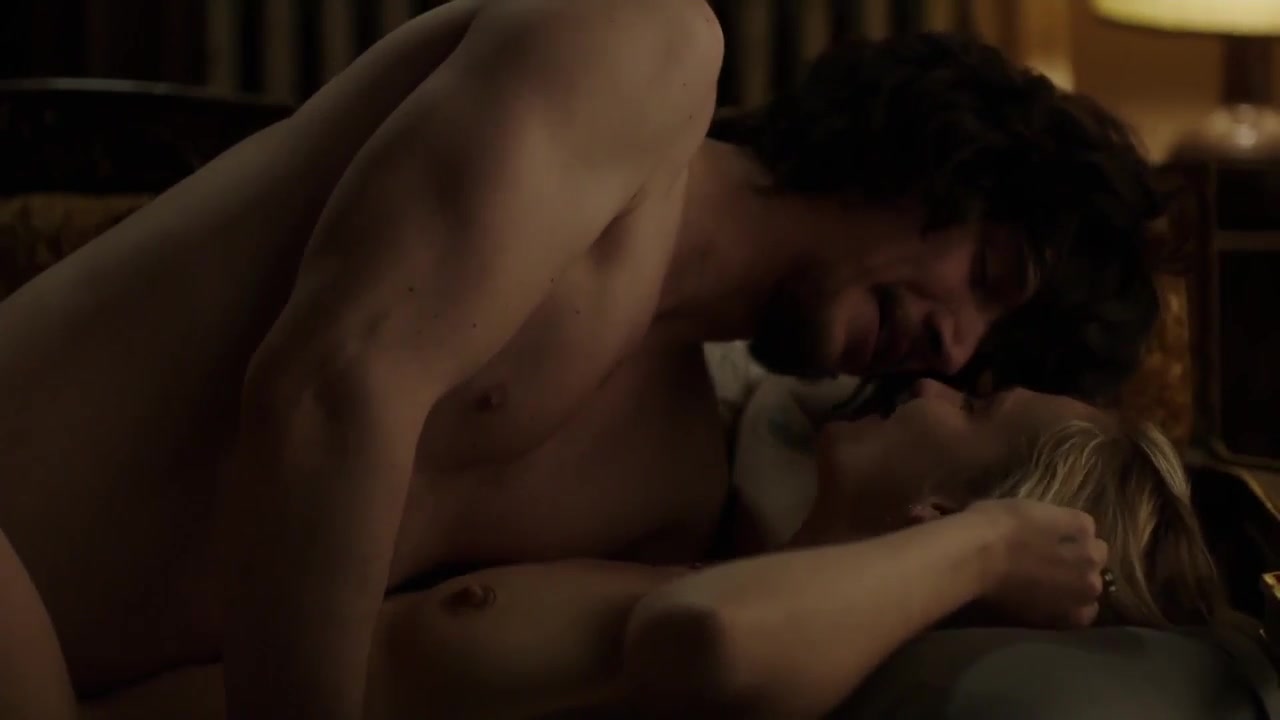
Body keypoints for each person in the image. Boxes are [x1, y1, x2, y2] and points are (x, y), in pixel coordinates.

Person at [0, 1, 1169, 717]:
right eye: (990, 272)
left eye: (981, 361)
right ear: (945, 149)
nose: (951, 343)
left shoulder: (668, 486)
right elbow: (328, 392)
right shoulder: (634, 48)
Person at [82, 380, 1228, 719]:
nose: (926, 381)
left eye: (970, 408)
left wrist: (988, 547)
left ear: (948, 507)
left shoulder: (781, 652)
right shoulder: (708, 552)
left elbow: (700, 640)